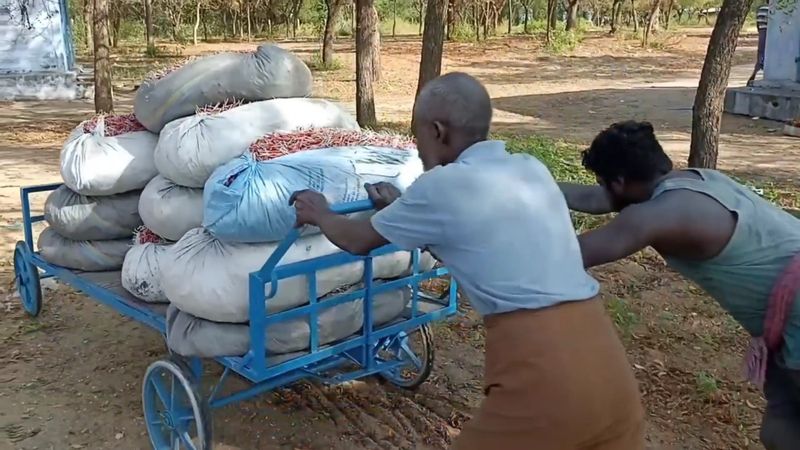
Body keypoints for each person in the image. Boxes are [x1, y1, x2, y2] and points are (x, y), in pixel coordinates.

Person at [290, 72, 645, 449]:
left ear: (438, 131)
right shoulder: (528, 168)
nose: (417, 145)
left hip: (545, 376)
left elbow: (358, 240)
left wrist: (321, 213)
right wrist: (402, 210)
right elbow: (474, 237)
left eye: (418, 134)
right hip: (608, 365)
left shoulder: (440, 187)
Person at [559, 120, 800, 450]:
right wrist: (530, 185)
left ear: (618, 181)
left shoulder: (654, 216)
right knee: (781, 429)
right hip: (788, 312)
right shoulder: (697, 182)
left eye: (603, 182)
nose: (600, 190)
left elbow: (567, 256)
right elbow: (599, 199)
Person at [748, 3, 770, 86]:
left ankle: (755, 71)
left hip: (761, 30)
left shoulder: (760, 9)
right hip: (767, 31)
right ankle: (762, 69)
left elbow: (758, 23)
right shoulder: (771, 9)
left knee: (760, 52)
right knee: (766, 52)